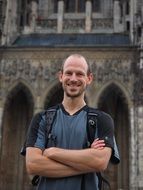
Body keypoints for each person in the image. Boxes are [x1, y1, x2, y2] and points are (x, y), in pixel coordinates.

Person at [26, 54, 119, 190]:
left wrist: (52, 152)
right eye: (69, 73)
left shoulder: (102, 120)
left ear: (89, 78)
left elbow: (100, 162)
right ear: (61, 76)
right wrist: (87, 161)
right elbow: (33, 165)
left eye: (80, 74)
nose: (73, 79)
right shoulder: (42, 119)